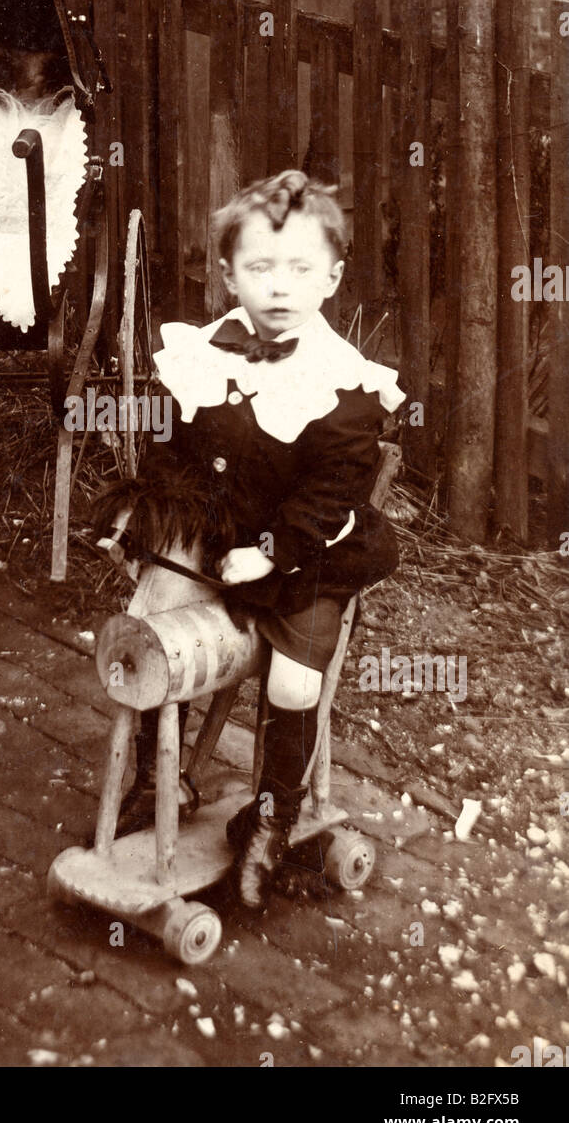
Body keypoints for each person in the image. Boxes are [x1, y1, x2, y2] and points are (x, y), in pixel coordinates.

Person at [93, 169, 405, 910]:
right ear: (229, 274)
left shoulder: (344, 384)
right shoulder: (206, 352)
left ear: (330, 278)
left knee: (295, 679)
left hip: (307, 551)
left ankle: (271, 818)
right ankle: (154, 779)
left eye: (300, 269)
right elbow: (173, 450)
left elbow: (330, 495)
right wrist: (144, 519)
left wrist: (269, 552)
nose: (279, 286)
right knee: (148, 626)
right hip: (216, 531)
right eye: (260, 267)